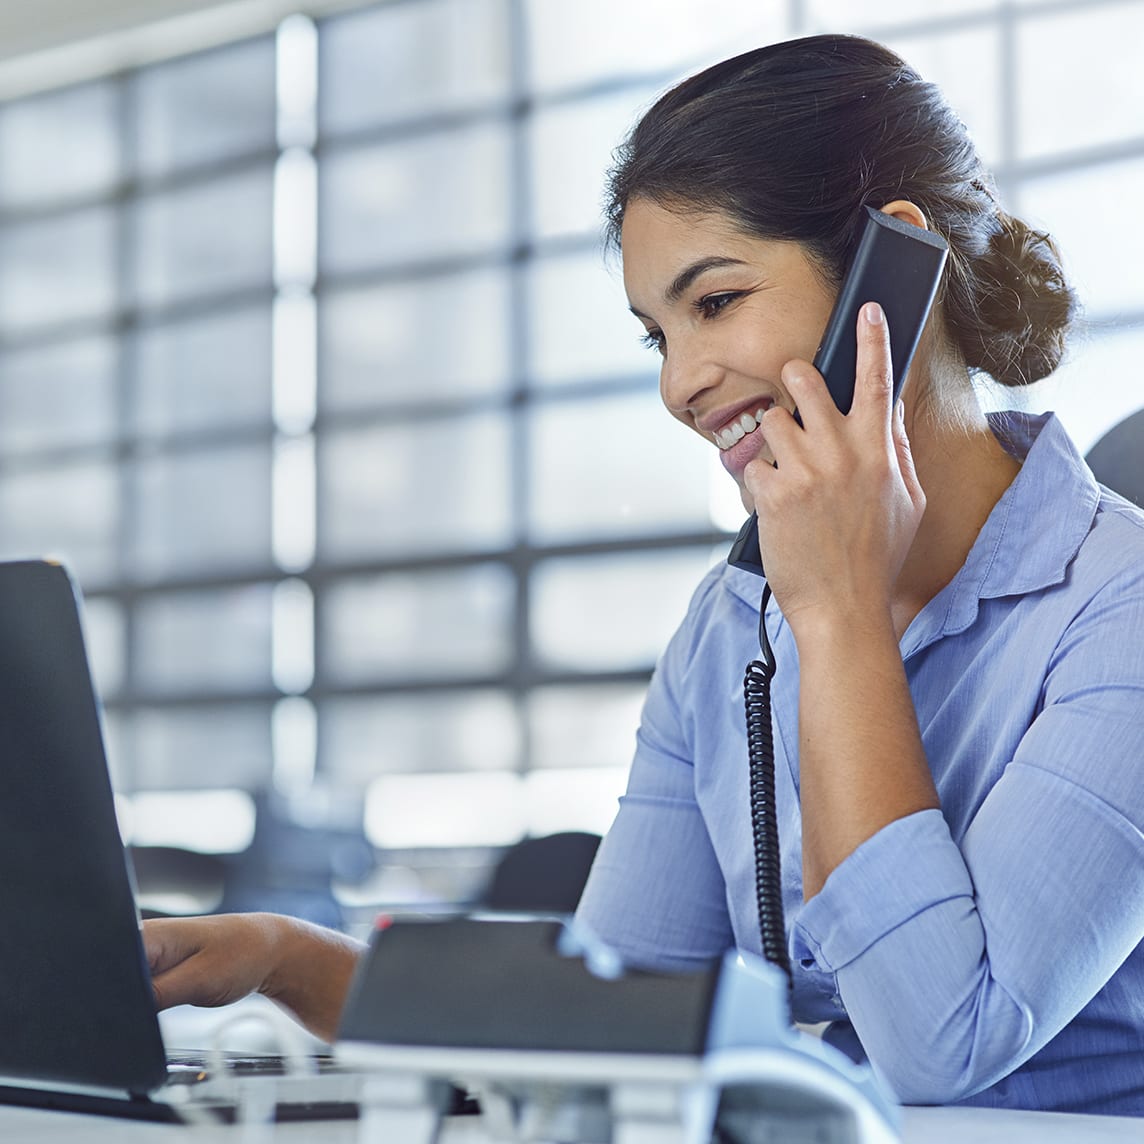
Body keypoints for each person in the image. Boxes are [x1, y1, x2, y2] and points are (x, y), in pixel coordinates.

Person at [142, 34, 1144, 1114]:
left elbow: (943, 1041)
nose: (681, 385)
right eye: (654, 337)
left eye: (713, 303)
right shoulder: (727, 630)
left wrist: (837, 613)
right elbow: (604, 1035)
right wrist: (289, 959)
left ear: (889, 271)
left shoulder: (1113, 606)